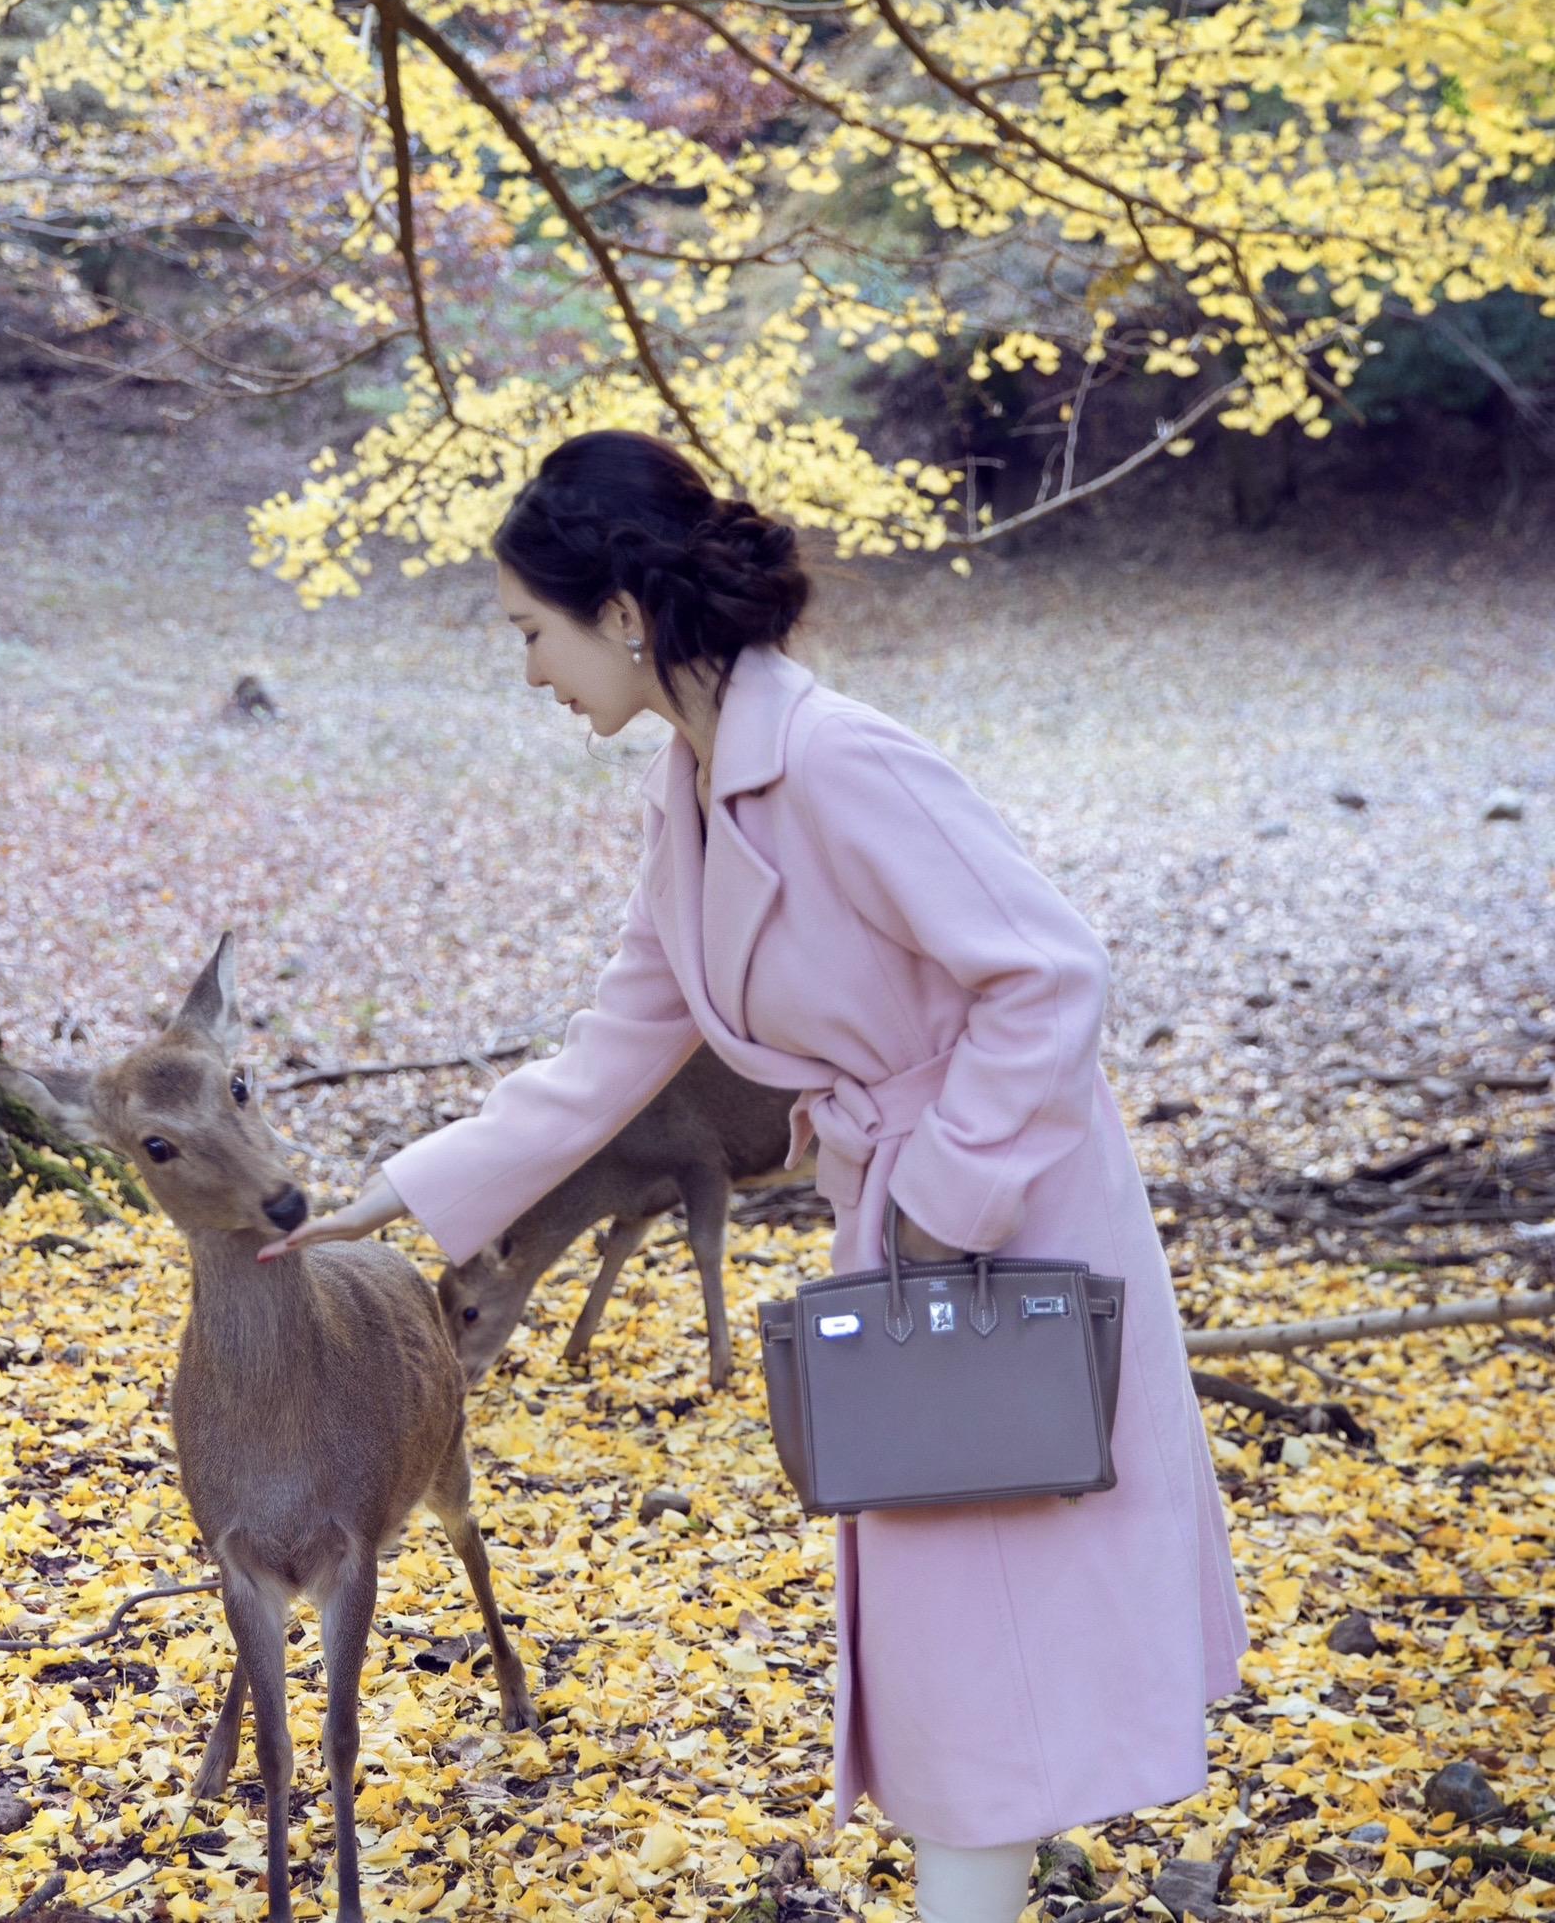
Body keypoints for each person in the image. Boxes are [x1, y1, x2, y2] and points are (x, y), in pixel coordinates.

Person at [263, 430, 1248, 1923]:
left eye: (533, 632)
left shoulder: (843, 759)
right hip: (909, 1224)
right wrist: (396, 1196)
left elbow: (1051, 973)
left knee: (980, 1625)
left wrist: (945, 1192)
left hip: (1009, 1222)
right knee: (958, 1629)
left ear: (624, 616)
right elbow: (616, 1045)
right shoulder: (693, 785)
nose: (527, 670)